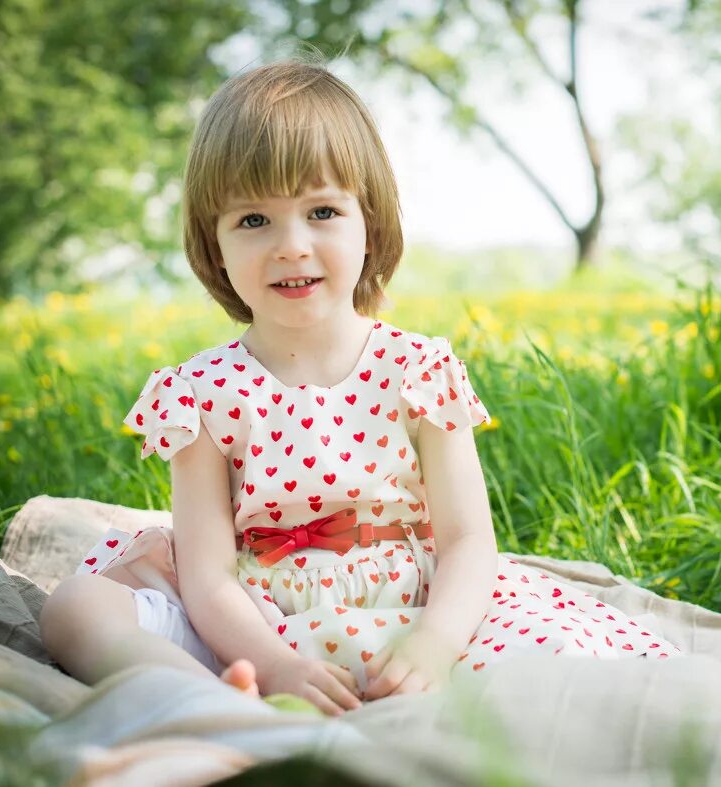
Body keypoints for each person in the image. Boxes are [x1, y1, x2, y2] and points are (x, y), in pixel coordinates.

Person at [39, 55, 683, 718]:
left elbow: (467, 538)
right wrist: (273, 664)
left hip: (408, 607)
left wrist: (434, 642)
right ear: (214, 240)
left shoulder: (418, 371)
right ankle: (212, 702)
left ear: (368, 222)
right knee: (75, 606)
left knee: (560, 649)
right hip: (249, 622)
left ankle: (411, 682)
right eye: (253, 220)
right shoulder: (202, 393)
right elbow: (207, 575)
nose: (291, 245)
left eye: (321, 210)